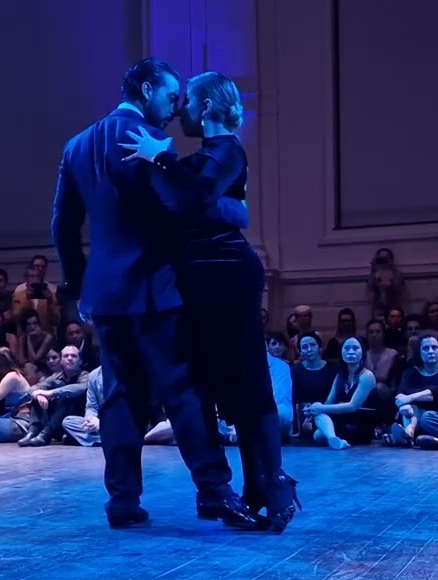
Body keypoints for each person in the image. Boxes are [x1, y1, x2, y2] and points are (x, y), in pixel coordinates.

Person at [49, 57, 255, 529]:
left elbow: (63, 225)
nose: (173, 107)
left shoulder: (77, 145)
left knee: (120, 397)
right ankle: (215, 491)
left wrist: (79, 283)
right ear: (145, 90)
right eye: (168, 96)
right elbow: (177, 209)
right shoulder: (147, 142)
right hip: (154, 287)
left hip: (105, 295)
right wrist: (229, 212)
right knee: (184, 390)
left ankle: (122, 501)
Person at [120, 70, 298, 533]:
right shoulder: (207, 157)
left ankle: (273, 484)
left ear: (207, 107)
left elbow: (195, 194)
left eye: (188, 103)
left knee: (249, 383)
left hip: (226, 277)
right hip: (200, 281)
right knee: (219, 386)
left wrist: (162, 158)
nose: (179, 110)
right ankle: (254, 486)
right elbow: (199, 205)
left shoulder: (226, 150)